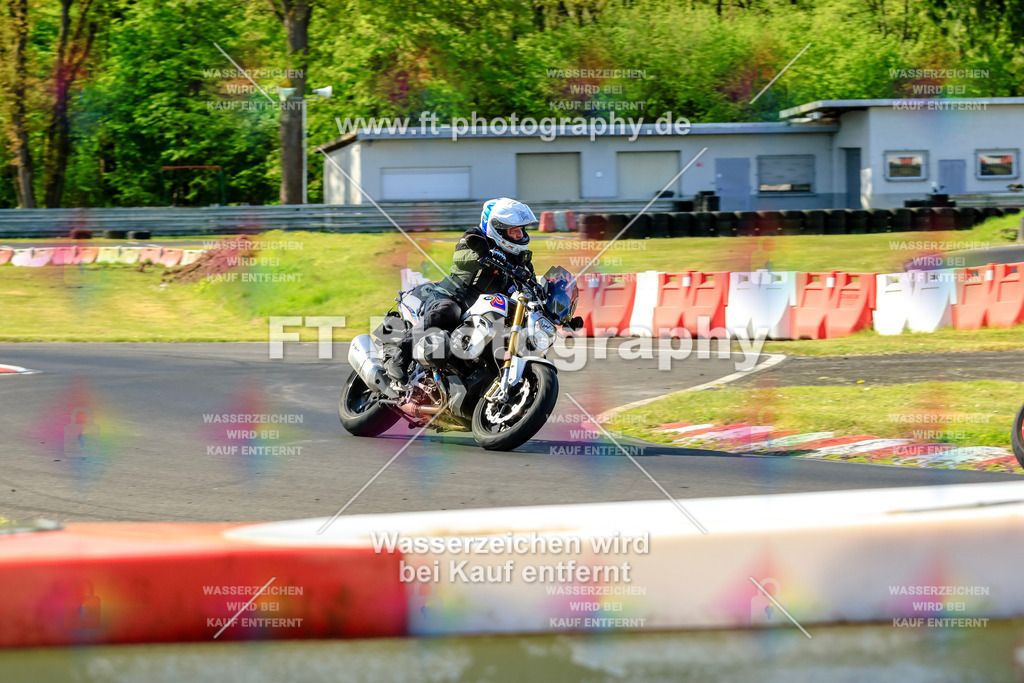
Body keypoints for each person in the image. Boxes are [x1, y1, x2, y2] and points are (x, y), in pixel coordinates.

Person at [385, 197, 538, 383]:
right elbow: (461, 256)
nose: (520, 235)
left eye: (521, 230)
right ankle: (399, 356)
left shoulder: (520, 260)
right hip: (453, 296)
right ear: (498, 230)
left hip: (486, 312)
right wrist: (484, 255)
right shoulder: (476, 238)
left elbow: (531, 285)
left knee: (501, 343)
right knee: (448, 311)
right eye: (514, 231)